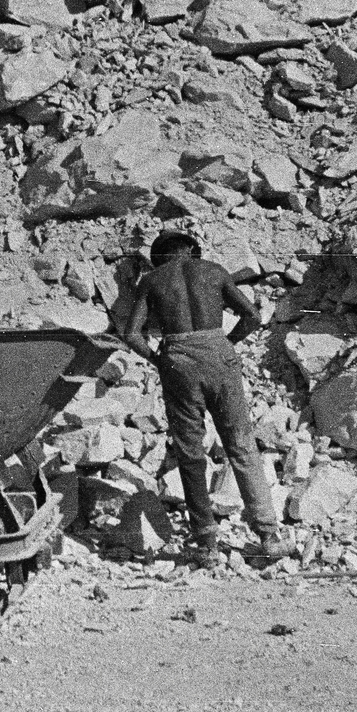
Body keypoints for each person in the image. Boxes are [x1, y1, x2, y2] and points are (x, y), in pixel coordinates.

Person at [121, 231, 282, 566]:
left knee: (191, 452)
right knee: (240, 444)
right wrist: (226, 345)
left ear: (159, 257)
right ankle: (269, 534)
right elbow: (252, 316)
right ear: (191, 250)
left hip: (178, 359)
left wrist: (158, 359)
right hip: (219, 354)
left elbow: (131, 334)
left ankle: (206, 544)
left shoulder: (151, 280)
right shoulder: (215, 271)